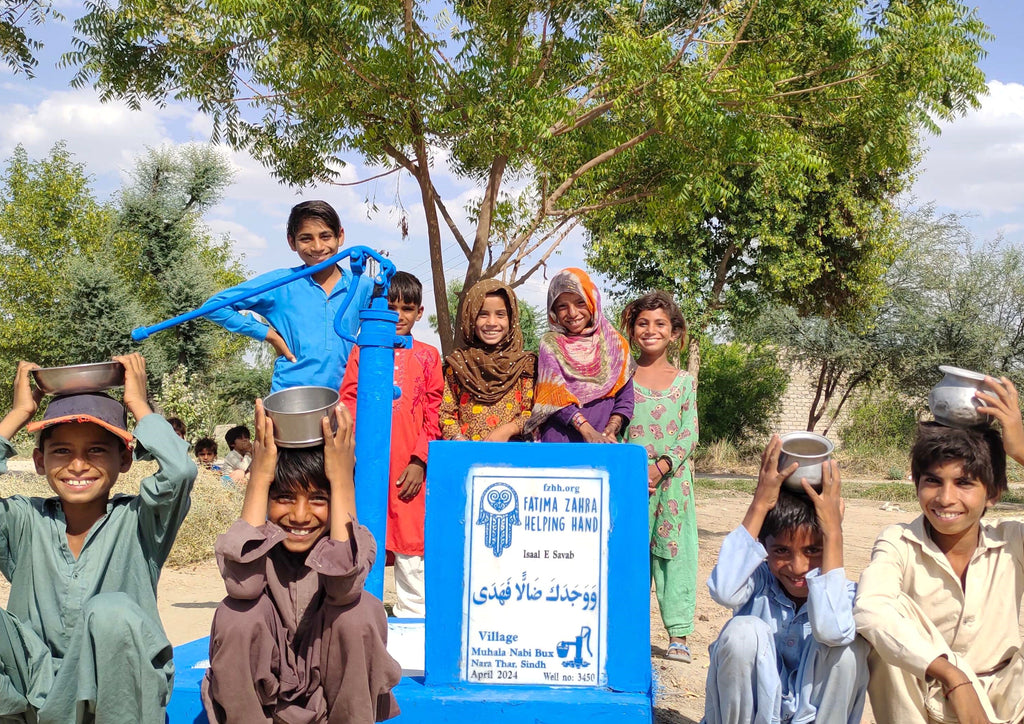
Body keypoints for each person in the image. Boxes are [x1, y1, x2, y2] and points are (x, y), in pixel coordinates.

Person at [0, 354, 196, 723]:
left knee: (112, 614)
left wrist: (139, 405)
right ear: (40, 461)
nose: (77, 465)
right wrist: (18, 415)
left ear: (124, 459)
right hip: (36, 695)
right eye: (61, 451)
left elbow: (180, 470)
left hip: (116, 699)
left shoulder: (141, 523)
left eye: (95, 450)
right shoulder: (24, 521)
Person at [201, 400, 402, 724]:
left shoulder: (351, 541)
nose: (299, 515)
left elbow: (344, 589)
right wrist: (259, 477)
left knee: (360, 612)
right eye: (283, 497)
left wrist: (341, 480)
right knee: (236, 615)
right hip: (265, 705)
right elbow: (244, 585)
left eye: (318, 499)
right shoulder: (256, 541)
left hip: (330, 703)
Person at [854, 376, 1024, 724]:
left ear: (993, 493)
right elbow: (870, 611)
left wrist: (1021, 449)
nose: (946, 498)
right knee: (887, 620)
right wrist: (953, 677)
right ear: (916, 483)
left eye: (964, 483)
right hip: (924, 700)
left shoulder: (1013, 541)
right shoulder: (898, 543)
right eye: (933, 481)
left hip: (1008, 703)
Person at [703, 436, 868, 724]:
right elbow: (725, 592)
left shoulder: (846, 594)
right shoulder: (758, 581)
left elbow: (831, 631)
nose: (798, 567)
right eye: (781, 551)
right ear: (763, 548)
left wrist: (833, 532)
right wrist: (760, 502)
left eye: (813, 551)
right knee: (742, 631)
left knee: (848, 648)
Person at [340, 271, 443, 618]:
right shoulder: (362, 350)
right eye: (391, 307)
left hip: (409, 468)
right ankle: (363, 619)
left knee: (411, 548)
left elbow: (435, 411)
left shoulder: (429, 356)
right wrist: (353, 454)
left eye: (407, 308)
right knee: (364, 539)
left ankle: (414, 618)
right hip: (368, 466)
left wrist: (420, 460)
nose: (398, 315)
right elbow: (349, 400)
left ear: (420, 312)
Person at [204, 200, 375, 392]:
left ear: (340, 236)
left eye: (325, 236)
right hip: (291, 396)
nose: (318, 246)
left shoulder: (363, 285)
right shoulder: (281, 283)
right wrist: (270, 336)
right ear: (291, 242)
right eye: (306, 238)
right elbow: (215, 307)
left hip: (345, 397)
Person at [620, 291, 698, 663]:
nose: (650, 330)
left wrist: (662, 467)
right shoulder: (621, 378)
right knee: (630, 554)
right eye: (642, 323)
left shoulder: (683, 382)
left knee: (674, 557)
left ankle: (678, 634)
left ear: (674, 333)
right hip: (631, 486)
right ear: (632, 330)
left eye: (660, 324)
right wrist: (632, 470)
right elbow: (616, 429)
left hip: (673, 487)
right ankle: (630, 632)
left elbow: (689, 432)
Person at [527, 267, 634, 443]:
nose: (572, 313)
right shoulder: (551, 343)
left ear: (592, 300)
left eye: (580, 302)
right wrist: (588, 431)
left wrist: (610, 430)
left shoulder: (616, 345)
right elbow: (554, 396)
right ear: (553, 310)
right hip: (560, 443)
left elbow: (625, 399)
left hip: (604, 443)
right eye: (562, 306)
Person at [439, 279, 536, 442]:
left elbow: (531, 412)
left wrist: (509, 429)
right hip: (468, 459)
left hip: (513, 459)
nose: (492, 323)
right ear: (470, 318)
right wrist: (458, 439)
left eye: (500, 314)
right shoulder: (458, 364)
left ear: (511, 319)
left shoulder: (524, 365)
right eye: (482, 314)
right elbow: (446, 413)